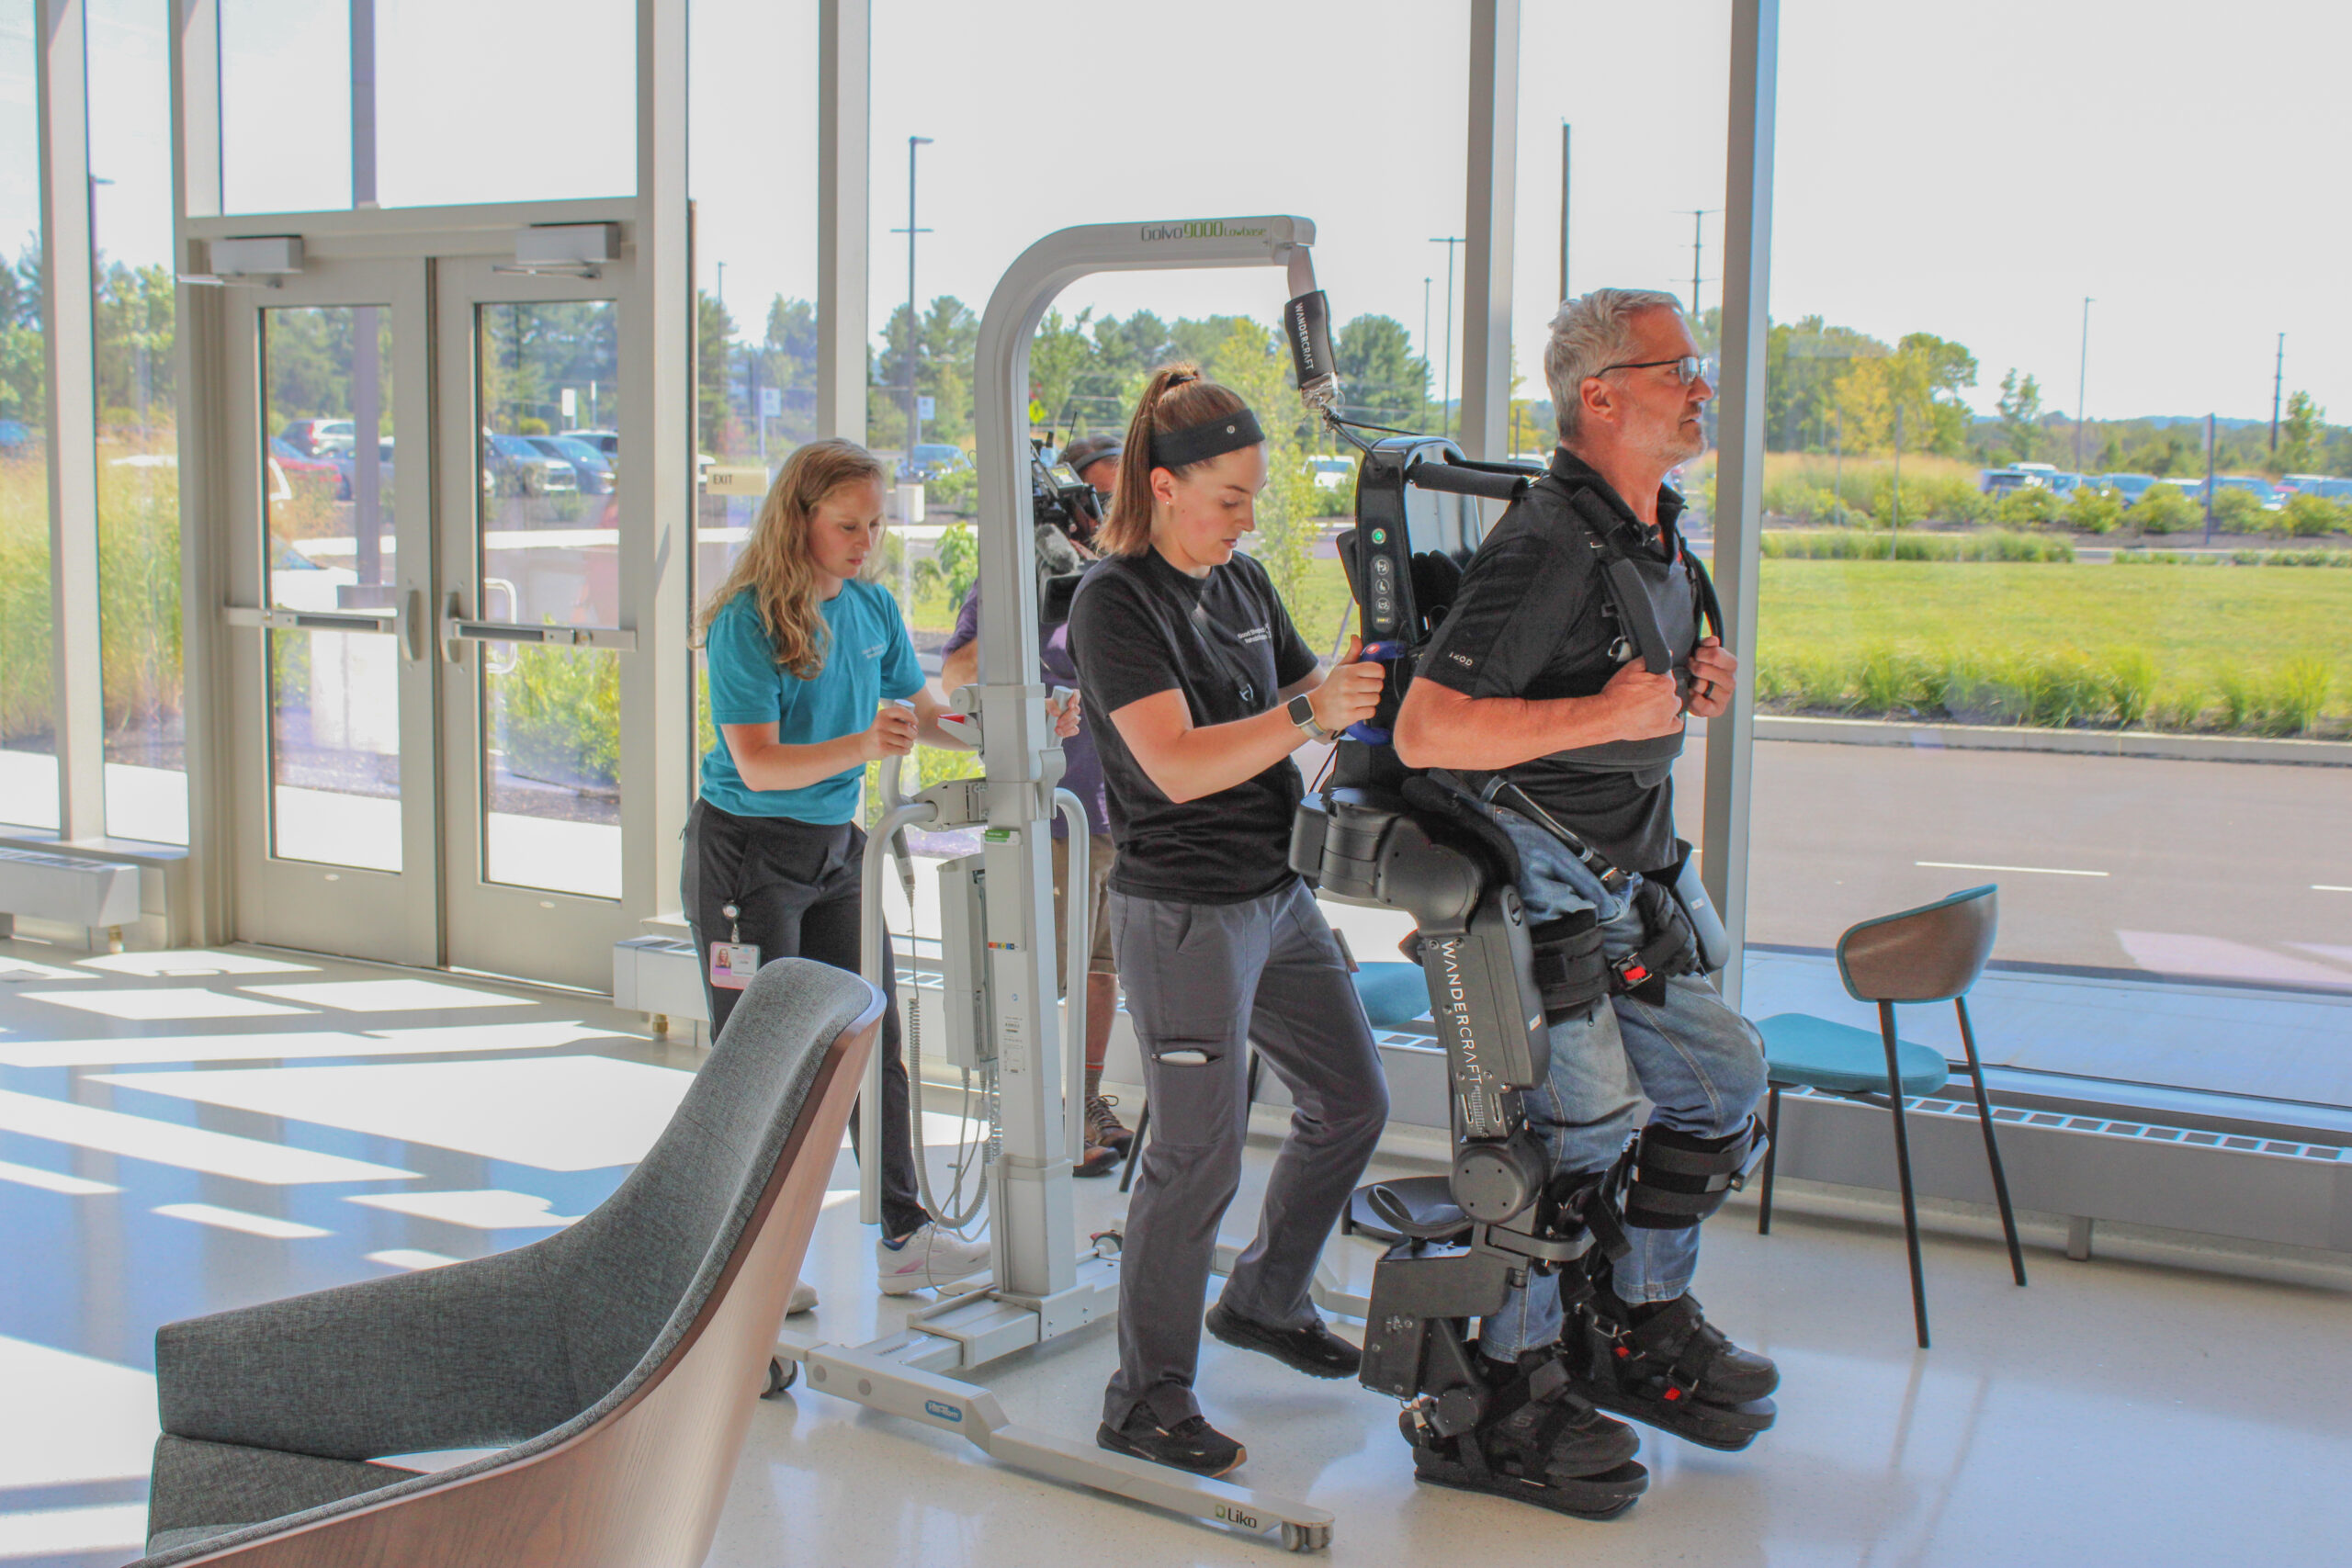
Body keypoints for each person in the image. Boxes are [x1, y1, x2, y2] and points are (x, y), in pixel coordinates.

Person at [1394, 288, 1777, 1455]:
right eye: (1677, 369)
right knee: (1581, 1132)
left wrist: (1668, 702)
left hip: (1628, 879)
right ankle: (1502, 1394)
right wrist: (1600, 711)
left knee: (1721, 1085)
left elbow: (1609, 700)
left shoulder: (1647, 536)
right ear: (1600, 394)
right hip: (1539, 882)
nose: (1701, 387)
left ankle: (1638, 1318)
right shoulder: (1549, 540)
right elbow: (1427, 730)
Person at [1068, 365, 1390, 1478]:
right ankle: (1143, 1401)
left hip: (1276, 893)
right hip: (1185, 912)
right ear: (1162, 487)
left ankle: (1262, 1298)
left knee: (1351, 1101)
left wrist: (1361, 685)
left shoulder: (1244, 585)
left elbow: (1316, 708)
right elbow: (1174, 761)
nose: (1248, 519)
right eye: (1230, 498)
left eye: (1254, 498)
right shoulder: (1114, 601)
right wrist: (1308, 707)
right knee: (1196, 1160)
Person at [684, 438, 994, 1300]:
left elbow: (926, 716)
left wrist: (1010, 727)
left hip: (835, 852)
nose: (866, 542)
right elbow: (756, 763)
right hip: (748, 856)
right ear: (800, 520)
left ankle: (903, 1232)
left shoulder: (871, 608)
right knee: (761, 1059)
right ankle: (744, 1266)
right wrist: (863, 744)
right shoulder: (745, 620)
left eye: (876, 524)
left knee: (872, 1039)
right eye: (847, 525)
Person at [938, 572, 1128, 1178]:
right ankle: (1041, 1116)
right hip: (1048, 808)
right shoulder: (1010, 578)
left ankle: (1084, 1102)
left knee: (1103, 967)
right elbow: (956, 677)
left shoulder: (1111, 579)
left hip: (1114, 804)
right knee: (1045, 974)